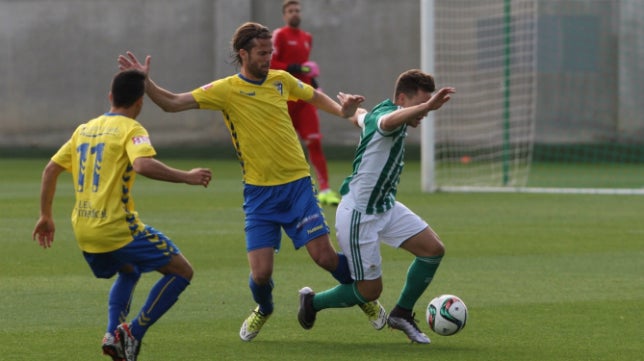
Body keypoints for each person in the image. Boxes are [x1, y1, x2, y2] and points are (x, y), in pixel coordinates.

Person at [116, 21, 386, 342]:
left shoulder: (281, 80)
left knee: (325, 257)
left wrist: (344, 111)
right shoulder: (226, 90)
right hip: (259, 195)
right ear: (243, 53)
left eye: (270, 51)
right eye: (261, 52)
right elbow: (172, 103)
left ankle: (362, 296)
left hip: (297, 185)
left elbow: (316, 97)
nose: (268, 58)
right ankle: (263, 308)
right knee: (261, 274)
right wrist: (146, 82)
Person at [32, 69, 212, 361]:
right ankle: (131, 332)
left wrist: (45, 216)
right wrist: (187, 176)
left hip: (84, 230)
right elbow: (143, 165)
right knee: (182, 272)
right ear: (140, 103)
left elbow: (50, 169)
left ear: (110, 97)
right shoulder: (132, 129)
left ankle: (111, 333)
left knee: (129, 269)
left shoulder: (84, 129)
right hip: (118, 229)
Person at [297, 69, 455, 344]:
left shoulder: (378, 112)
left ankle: (402, 313)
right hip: (361, 215)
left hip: (385, 207)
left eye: (426, 106)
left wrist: (350, 111)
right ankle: (312, 302)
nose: (424, 112)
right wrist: (427, 106)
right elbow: (386, 121)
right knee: (370, 291)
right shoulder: (388, 118)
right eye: (419, 105)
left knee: (433, 251)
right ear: (402, 99)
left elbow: (361, 117)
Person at [271, 0, 340, 206]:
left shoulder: (307, 38)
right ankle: (279, 189)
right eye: (291, 11)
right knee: (283, 145)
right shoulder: (279, 35)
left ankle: (325, 190)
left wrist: (315, 83)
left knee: (314, 142)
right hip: (286, 98)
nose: (295, 14)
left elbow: (305, 70)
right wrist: (298, 68)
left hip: (305, 99)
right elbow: (273, 64)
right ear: (284, 15)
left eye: (297, 10)